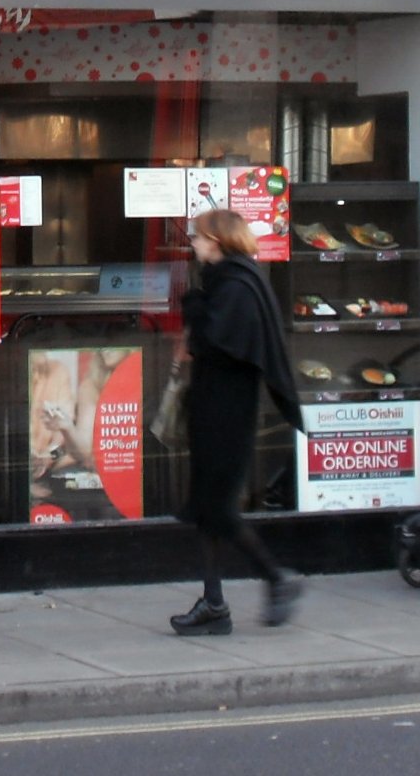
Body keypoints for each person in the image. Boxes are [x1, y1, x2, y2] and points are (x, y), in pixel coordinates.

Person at [169, 209, 305, 636]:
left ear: (218, 240)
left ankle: (277, 578)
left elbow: (219, 343)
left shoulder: (238, 285)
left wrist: (192, 306)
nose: (193, 243)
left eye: (199, 237)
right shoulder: (229, 281)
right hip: (213, 406)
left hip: (229, 411)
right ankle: (214, 603)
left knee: (219, 508)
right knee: (207, 509)